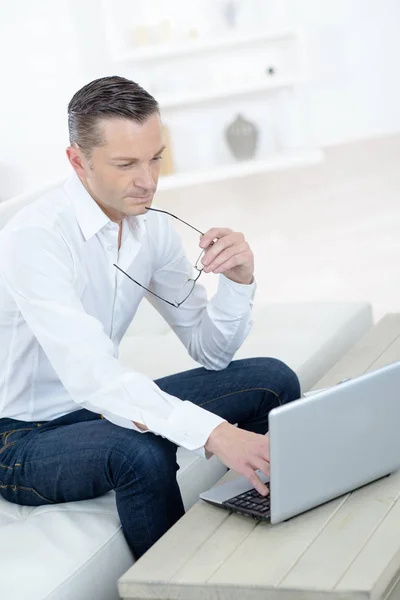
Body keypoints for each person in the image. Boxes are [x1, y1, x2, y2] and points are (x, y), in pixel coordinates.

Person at [0, 76, 300, 558]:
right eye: (126, 164)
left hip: (97, 411)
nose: (148, 180)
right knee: (139, 450)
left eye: (155, 158)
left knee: (272, 380)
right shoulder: (34, 239)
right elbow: (94, 376)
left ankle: (266, 533)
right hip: (19, 437)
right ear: (78, 161)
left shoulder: (150, 229)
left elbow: (211, 351)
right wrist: (214, 433)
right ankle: (178, 584)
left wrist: (238, 280)